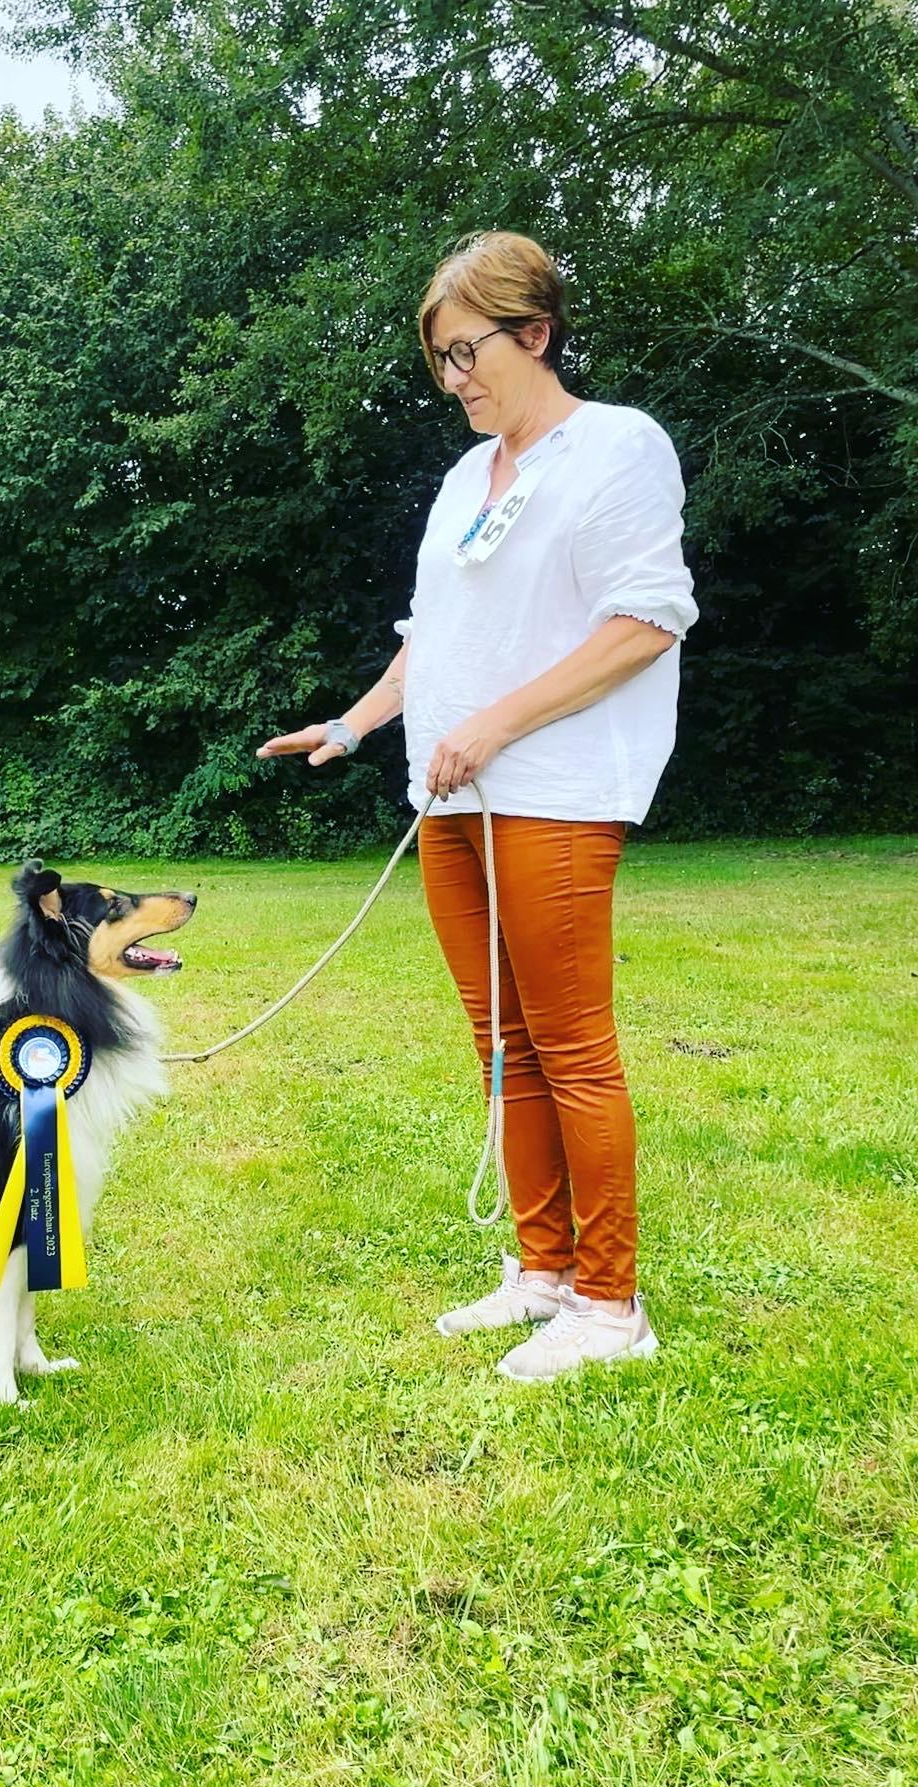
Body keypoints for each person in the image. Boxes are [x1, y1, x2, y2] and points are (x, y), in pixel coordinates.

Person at [257, 230, 697, 1381]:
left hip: (551, 790)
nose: (453, 380)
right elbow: (432, 645)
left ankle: (611, 1307)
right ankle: (544, 1274)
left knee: (572, 1049)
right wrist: (356, 724)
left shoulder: (617, 448)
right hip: (448, 801)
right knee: (501, 1045)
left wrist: (497, 724)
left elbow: (646, 622)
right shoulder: (465, 478)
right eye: (440, 363)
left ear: (535, 334)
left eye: (467, 354)